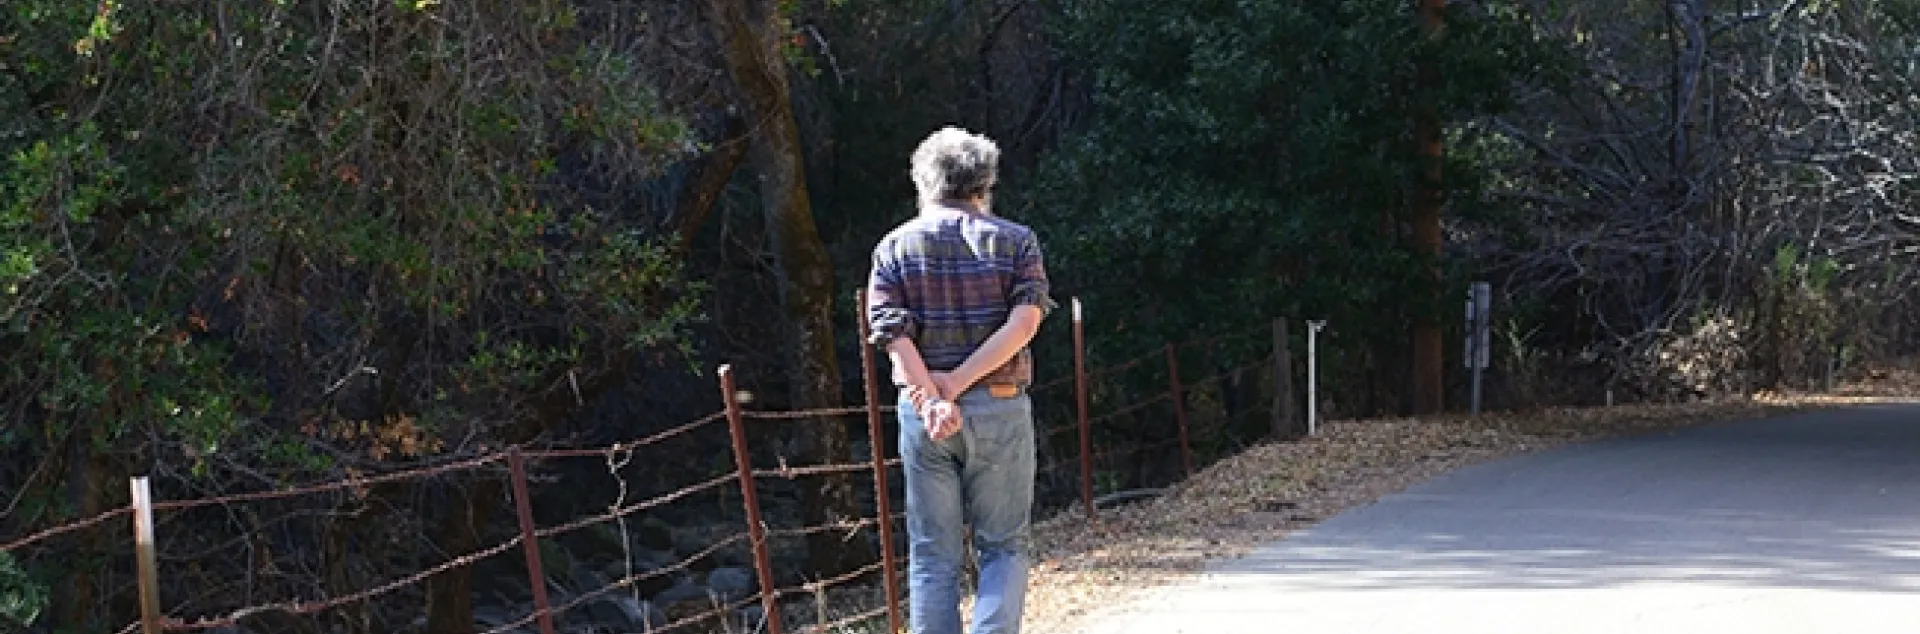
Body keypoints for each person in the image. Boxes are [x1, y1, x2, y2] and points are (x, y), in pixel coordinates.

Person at [866, 126, 1055, 634]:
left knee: (932, 554)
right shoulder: (1017, 241)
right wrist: (961, 380)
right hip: (1000, 405)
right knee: (1005, 545)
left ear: (923, 180)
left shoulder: (893, 248)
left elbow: (891, 333)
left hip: (924, 417)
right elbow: (1025, 324)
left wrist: (933, 397)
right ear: (985, 182)